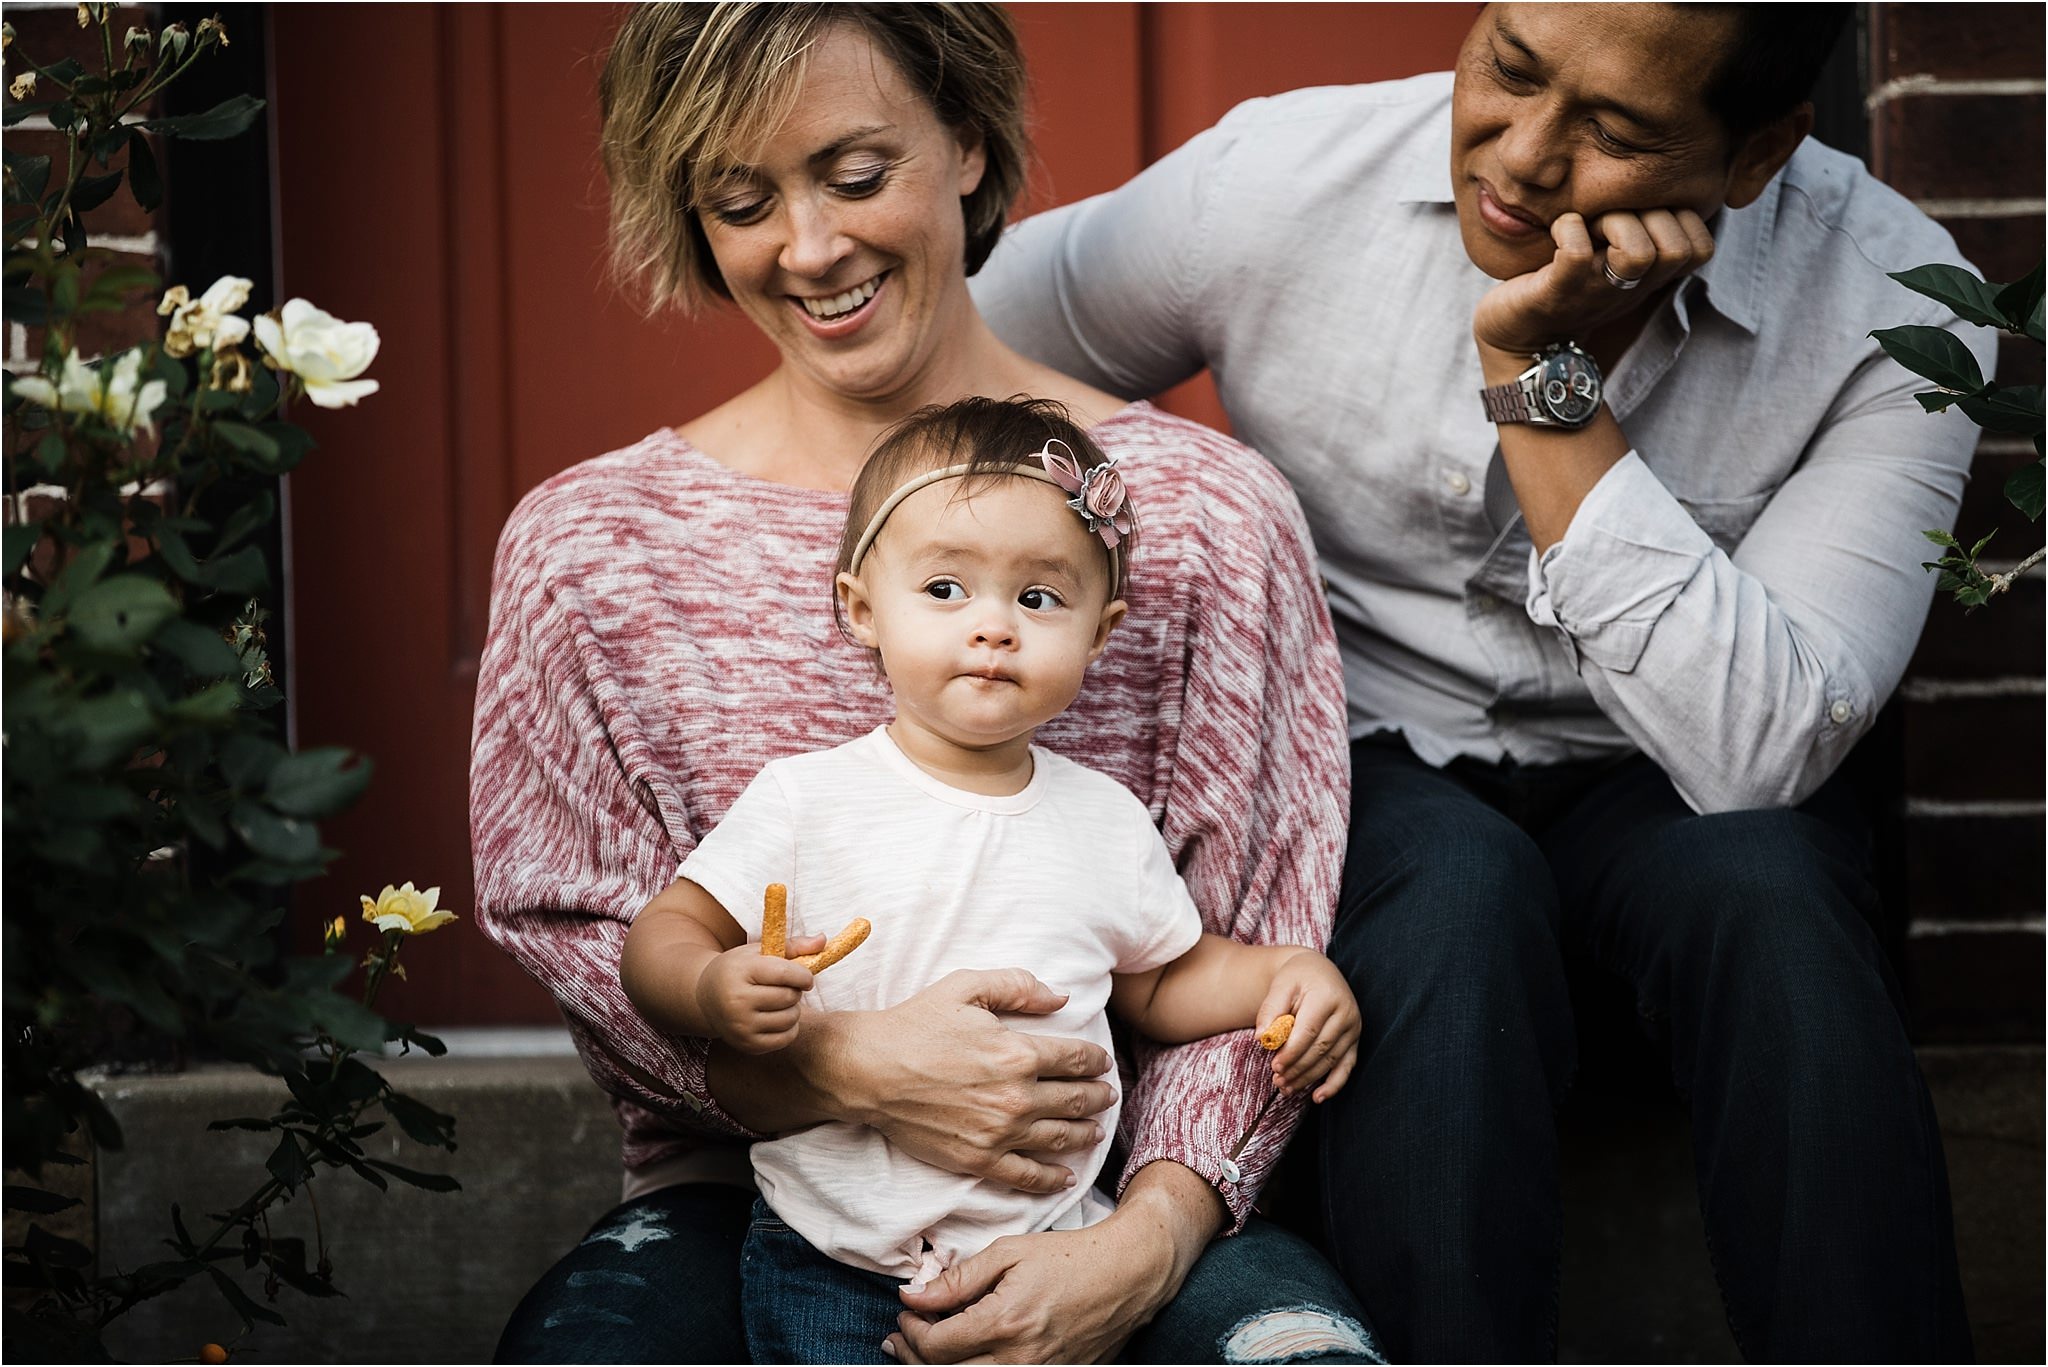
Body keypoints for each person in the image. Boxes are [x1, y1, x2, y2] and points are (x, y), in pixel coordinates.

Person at [973, 3, 1986, 1361]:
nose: (1520, 154)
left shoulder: (1898, 304)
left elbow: (1757, 753)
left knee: (1777, 894)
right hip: (1372, 759)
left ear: (1757, 156)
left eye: (1618, 130)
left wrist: (1539, 375)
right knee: (1453, 891)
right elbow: (956, 337)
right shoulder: (1282, 179)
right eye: (1508, 68)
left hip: (1670, 779)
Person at [471, 5, 1380, 1363]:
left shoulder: (1203, 517)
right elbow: (581, 923)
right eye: (742, 200)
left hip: (1128, 1191)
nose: (813, 246)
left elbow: (1238, 937)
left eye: (853, 174)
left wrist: (1142, 1243)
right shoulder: (593, 548)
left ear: (965, 140)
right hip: (762, 1203)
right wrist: (838, 1065)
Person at [621, 396, 1363, 1364]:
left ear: (1101, 632)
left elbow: (1158, 982)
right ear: (859, 608)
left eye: (1038, 599)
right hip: (833, 1253)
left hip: (1048, 1248)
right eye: (942, 588)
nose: (992, 628)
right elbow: (662, 933)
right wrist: (713, 987)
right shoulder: (807, 799)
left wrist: (1282, 975)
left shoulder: (1103, 820)